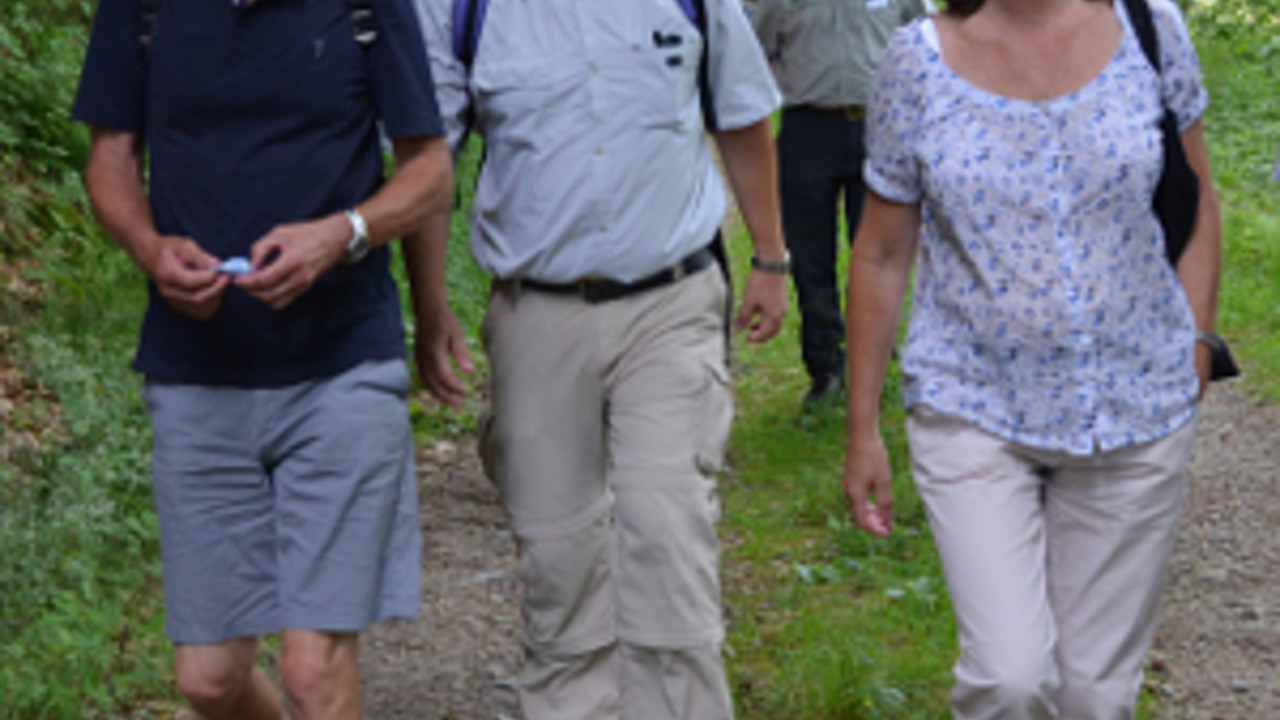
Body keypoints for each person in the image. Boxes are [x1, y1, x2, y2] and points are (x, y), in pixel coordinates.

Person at [840, 0, 1221, 717]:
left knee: (1095, 695)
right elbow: (882, 251)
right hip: (973, 406)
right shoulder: (916, 61)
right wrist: (862, 429)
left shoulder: (1150, 27)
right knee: (1009, 679)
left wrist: (1196, 342)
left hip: (1136, 411)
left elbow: (1196, 198)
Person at [71, 1, 453, 718]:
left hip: (343, 362)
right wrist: (150, 249)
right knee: (209, 680)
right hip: (195, 370)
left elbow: (428, 169)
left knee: (313, 671)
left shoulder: (366, 8)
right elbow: (109, 157)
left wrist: (345, 234)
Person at [408, 1, 788, 718]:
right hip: (536, 314)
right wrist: (431, 308)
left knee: (669, 543)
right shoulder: (461, 10)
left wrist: (770, 257)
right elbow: (428, 159)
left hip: (671, 303)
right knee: (561, 562)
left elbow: (738, 112)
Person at [751, 0, 931, 406]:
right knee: (810, 255)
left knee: (878, 252)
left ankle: (878, 354)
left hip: (878, 127)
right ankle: (825, 366)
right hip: (807, 128)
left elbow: (927, 43)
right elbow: (754, 54)